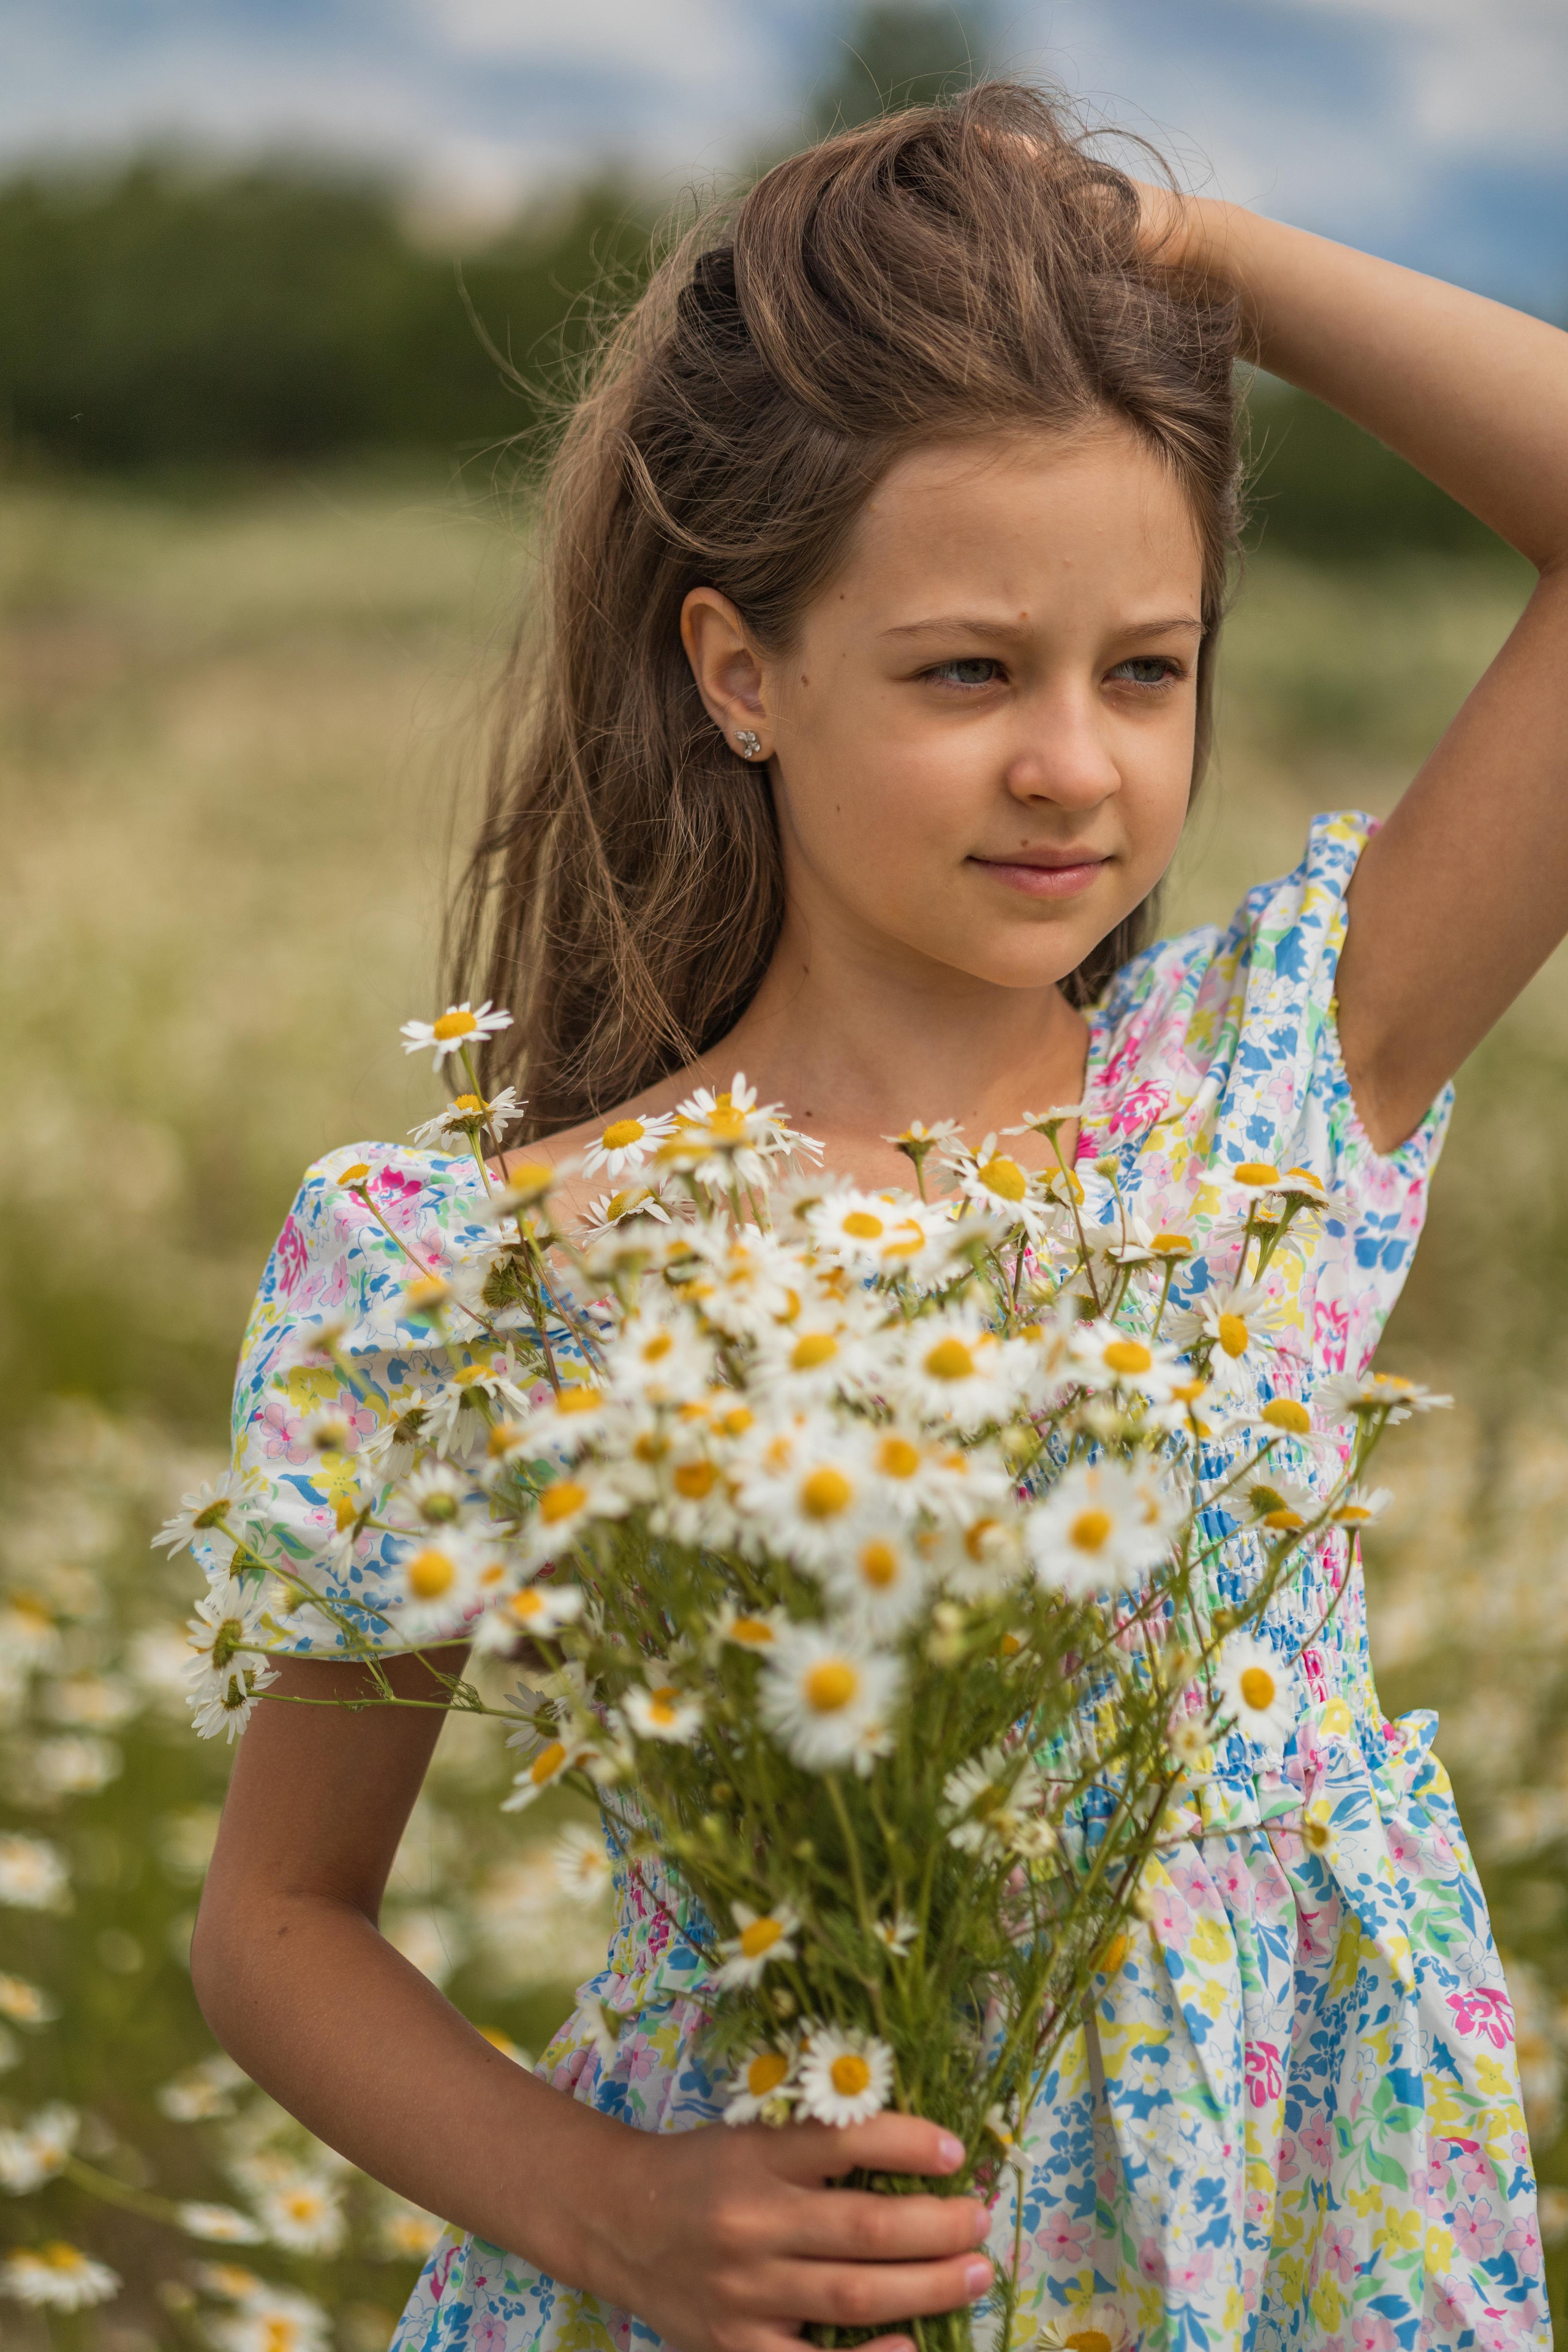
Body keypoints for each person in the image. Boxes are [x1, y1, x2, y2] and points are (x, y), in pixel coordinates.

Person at [190, 82, 1562, 2352]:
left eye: (1148, 666)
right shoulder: (500, 1267)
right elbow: (278, 1918)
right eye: (965, 671)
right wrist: (608, 2210)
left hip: (1289, 2254)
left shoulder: (1275, 1097)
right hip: (778, 2279)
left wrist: (1178, 258)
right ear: (743, 672)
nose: (1076, 764)